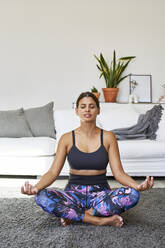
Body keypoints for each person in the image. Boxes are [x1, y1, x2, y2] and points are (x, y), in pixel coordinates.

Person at [21, 91, 154, 227]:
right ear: (76, 111)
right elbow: (53, 172)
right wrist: (36, 188)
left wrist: (137, 186)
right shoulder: (66, 138)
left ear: (98, 110)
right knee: (41, 197)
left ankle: (75, 215)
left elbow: (119, 173)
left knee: (133, 195)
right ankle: (98, 220)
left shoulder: (108, 137)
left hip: (101, 195)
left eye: (91, 106)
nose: (87, 110)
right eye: (83, 106)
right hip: (73, 195)